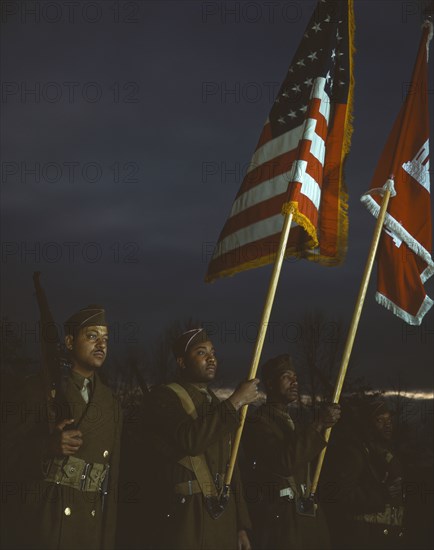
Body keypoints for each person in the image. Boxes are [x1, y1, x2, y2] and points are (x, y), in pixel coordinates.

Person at [1, 305, 122, 550]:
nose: (101, 344)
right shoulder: (36, 389)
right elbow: (7, 456)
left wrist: (106, 540)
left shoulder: (111, 403)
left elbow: (113, 480)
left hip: (89, 526)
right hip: (43, 521)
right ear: (69, 342)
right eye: (91, 336)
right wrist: (47, 447)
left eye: (105, 338)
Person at [143, 327, 258, 550]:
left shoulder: (217, 405)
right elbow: (190, 441)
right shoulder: (163, 397)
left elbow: (231, 469)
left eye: (213, 352)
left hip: (224, 519)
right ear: (182, 362)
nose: (211, 358)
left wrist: (240, 525)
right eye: (201, 352)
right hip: (187, 518)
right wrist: (236, 401)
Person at [243, 353, 341, 550]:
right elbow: (284, 462)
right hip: (281, 523)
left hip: (306, 519)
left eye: (296, 377)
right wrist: (318, 423)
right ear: (270, 384)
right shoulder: (258, 423)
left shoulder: (294, 423)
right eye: (287, 376)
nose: (294, 381)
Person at [321, 399, 405, 550]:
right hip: (362, 539)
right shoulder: (354, 454)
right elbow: (339, 495)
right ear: (367, 425)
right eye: (380, 420)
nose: (388, 425)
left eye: (389, 419)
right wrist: (382, 493)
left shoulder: (385, 453)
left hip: (386, 539)